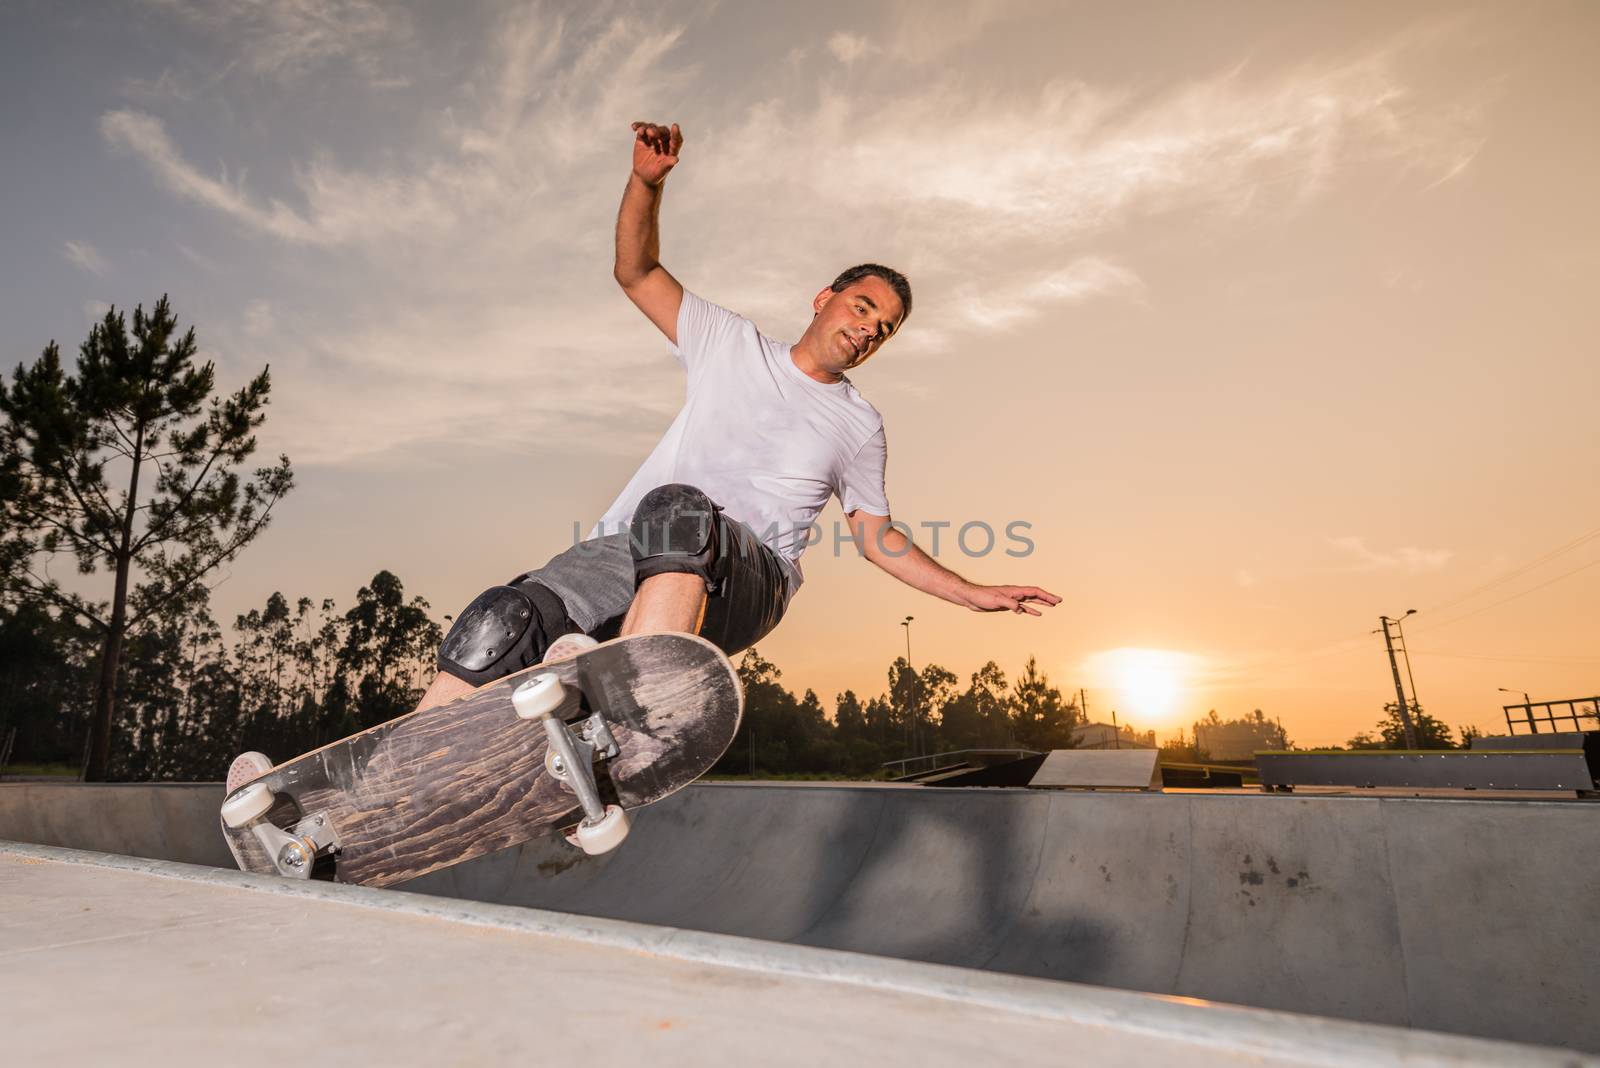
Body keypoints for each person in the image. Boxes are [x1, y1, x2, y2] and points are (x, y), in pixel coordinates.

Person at [415, 120, 1060, 713]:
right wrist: (645, 183)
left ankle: (632, 694)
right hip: (629, 551)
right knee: (506, 618)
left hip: (750, 580)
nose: (869, 330)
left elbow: (874, 537)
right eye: (862, 308)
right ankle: (397, 773)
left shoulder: (859, 424)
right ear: (824, 299)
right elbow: (635, 271)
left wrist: (972, 591)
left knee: (677, 510)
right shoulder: (728, 342)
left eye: (883, 329)